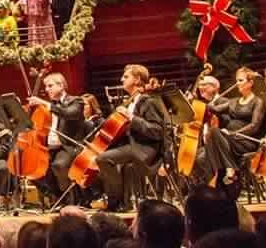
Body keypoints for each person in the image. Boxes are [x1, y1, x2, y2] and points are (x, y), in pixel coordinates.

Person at [94, 65, 168, 211]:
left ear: (138, 79)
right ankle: (121, 201)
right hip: (131, 146)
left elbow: (157, 131)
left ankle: (117, 201)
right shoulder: (130, 101)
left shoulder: (149, 101)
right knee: (99, 157)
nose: (121, 79)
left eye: (126, 76)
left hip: (145, 149)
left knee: (103, 159)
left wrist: (132, 118)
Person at [25, 72, 86, 205]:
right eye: (46, 87)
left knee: (59, 165)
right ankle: (58, 197)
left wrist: (44, 103)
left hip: (68, 147)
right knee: (32, 169)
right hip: (49, 147)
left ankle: (74, 200)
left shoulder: (76, 101)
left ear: (61, 85)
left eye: (50, 86)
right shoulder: (47, 106)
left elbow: (69, 114)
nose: (47, 89)